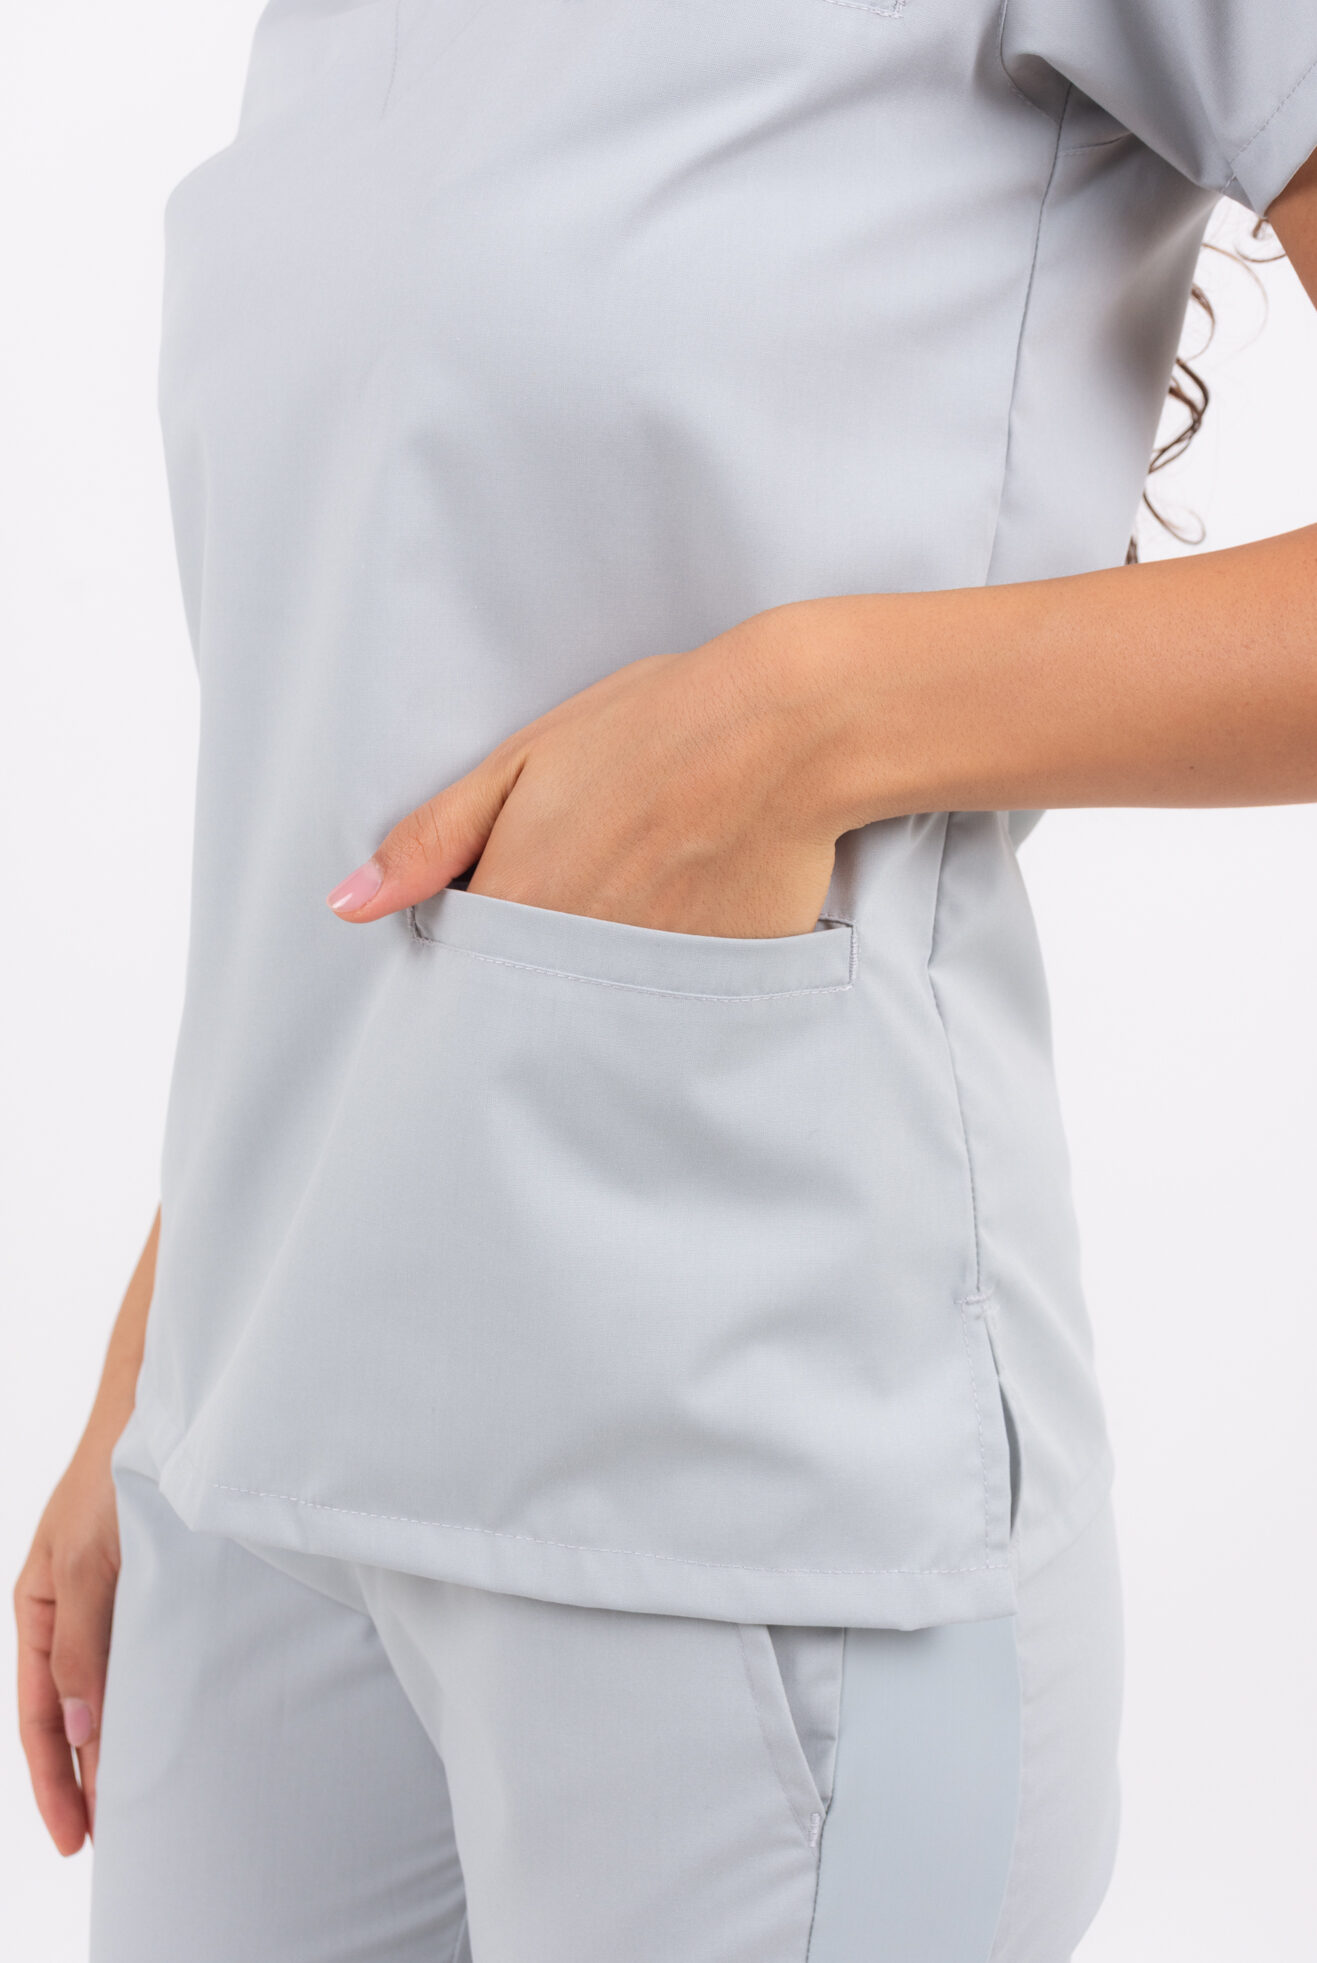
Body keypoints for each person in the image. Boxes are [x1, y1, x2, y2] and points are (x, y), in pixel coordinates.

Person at [14, 4, 1317, 1958]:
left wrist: (798, 719)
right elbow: (369, 710)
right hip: (255, 1449)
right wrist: (163, 1342)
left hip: (742, 1466)